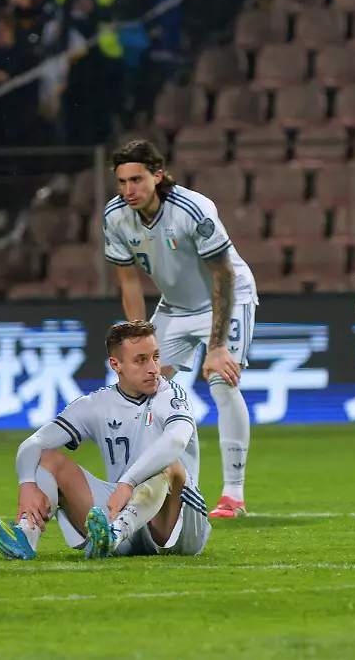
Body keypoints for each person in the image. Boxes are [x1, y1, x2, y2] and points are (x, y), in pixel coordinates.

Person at [103, 140, 258, 519]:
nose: (128, 190)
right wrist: (137, 339)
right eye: (122, 182)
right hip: (175, 307)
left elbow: (224, 275)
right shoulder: (116, 216)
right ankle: (188, 491)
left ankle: (233, 495)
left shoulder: (192, 209)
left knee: (222, 381)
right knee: (147, 390)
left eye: (136, 180)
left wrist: (216, 347)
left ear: (157, 175)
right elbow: (129, 282)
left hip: (229, 298)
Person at [0, 321, 211, 560]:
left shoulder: (172, 397)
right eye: (141, 360)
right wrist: (27, 484)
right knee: (47, 459)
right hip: (122, 507)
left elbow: (176, 441)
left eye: (155, 357)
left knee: (169, 466)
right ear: (115, 364)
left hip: (177, 526)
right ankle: (25, 536)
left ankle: (113, 536)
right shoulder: (95, 405)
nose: (153, 368)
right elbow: (33, 443)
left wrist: (127, 482)